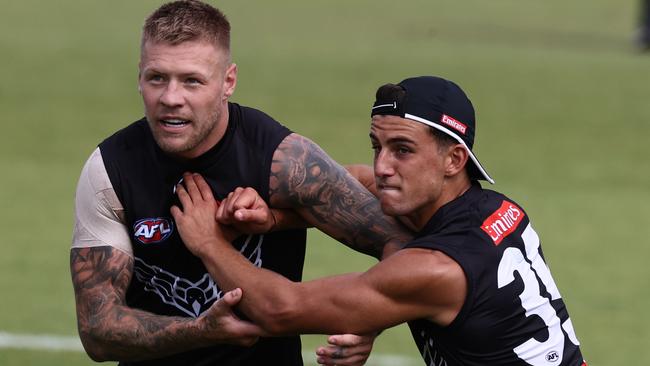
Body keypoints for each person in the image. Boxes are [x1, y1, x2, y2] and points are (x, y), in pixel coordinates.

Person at [69, 1, 410, 365]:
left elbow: (402, 243)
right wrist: (202, 330)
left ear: (227, 81)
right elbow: (97, 331)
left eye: (192, 81)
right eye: (157, 78)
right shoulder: (110, 170)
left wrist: (368, 320)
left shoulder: (282, 161)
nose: (171, 98)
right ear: (139, 76)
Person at [173, 76, 588, 365]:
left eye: (403, 150)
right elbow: (355, 181)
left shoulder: (436, 269)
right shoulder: (495, 209)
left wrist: (209, 242)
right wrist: (275, 218)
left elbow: (281, 310)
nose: (384, 165)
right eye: (378, 145)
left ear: (453, 159)